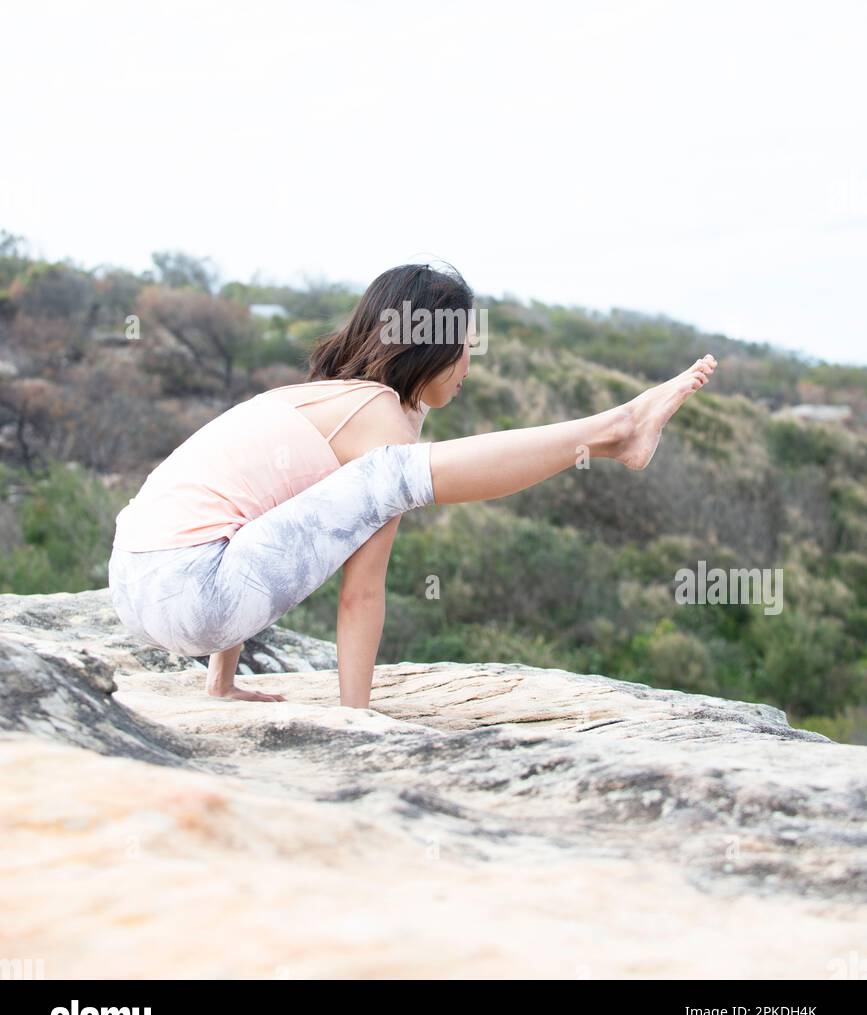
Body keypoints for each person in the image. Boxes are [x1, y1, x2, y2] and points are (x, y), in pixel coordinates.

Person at [107, 261, 717, 709]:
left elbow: (240, 523)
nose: (470, 367)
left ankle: (616, 430)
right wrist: (356, 720)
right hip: (189, 592)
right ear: (430, 350)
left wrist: (220, 683)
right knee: (392, 474)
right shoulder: (378, 420)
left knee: (382, 476)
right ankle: (616, 428)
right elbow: (362, 594)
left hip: (138, 587)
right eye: (464, 349)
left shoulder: (322, 400)